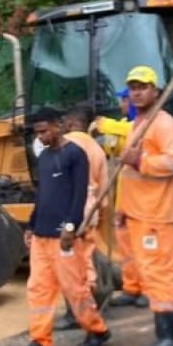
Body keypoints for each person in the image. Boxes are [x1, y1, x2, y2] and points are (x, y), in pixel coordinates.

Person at [15, 107, 112, 346]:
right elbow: (43, 195)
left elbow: (79, 195)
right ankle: (41, 341)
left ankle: (97, 330)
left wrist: (71, 226)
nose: (41, 137)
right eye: (37, 133)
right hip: (41, 235)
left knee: (74, 287)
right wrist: (31, 225)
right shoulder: (45, 158)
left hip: (64, 236)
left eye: (44, 131)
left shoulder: (75, 154)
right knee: (38, 288)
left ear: (58, 126)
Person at [118, 65, 173, 346]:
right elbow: (128, 174)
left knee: (160, 278)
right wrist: (123, 208)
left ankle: (171, 343)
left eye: (143, 87)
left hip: (158, 216)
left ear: (155, 91)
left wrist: (142, 160)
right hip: (141, 213)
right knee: (151, 277)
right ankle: (164, 339)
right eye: (132, 87)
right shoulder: (140, 123)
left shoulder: (163, 123)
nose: (136, 92)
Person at [91, 89, 149, 310]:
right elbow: (114, 145)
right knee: (126, 248)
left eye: (124, 100)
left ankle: (147, 289)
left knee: (143, 247)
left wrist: (104, 124)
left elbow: (127, 132)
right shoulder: (126, 126)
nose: (122, 103)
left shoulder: (144, 125)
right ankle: (132, 287)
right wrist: (101, 138)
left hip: (142, 200)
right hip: (124, 199)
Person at [54, 103, 109, 331]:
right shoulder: (96, 148)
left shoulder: (69, 146)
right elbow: (104, 188)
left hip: (72, 211)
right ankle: (92, 307)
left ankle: (77, 313)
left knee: (71, 264)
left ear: (70, 123)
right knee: (86, 260)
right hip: (91, 208)